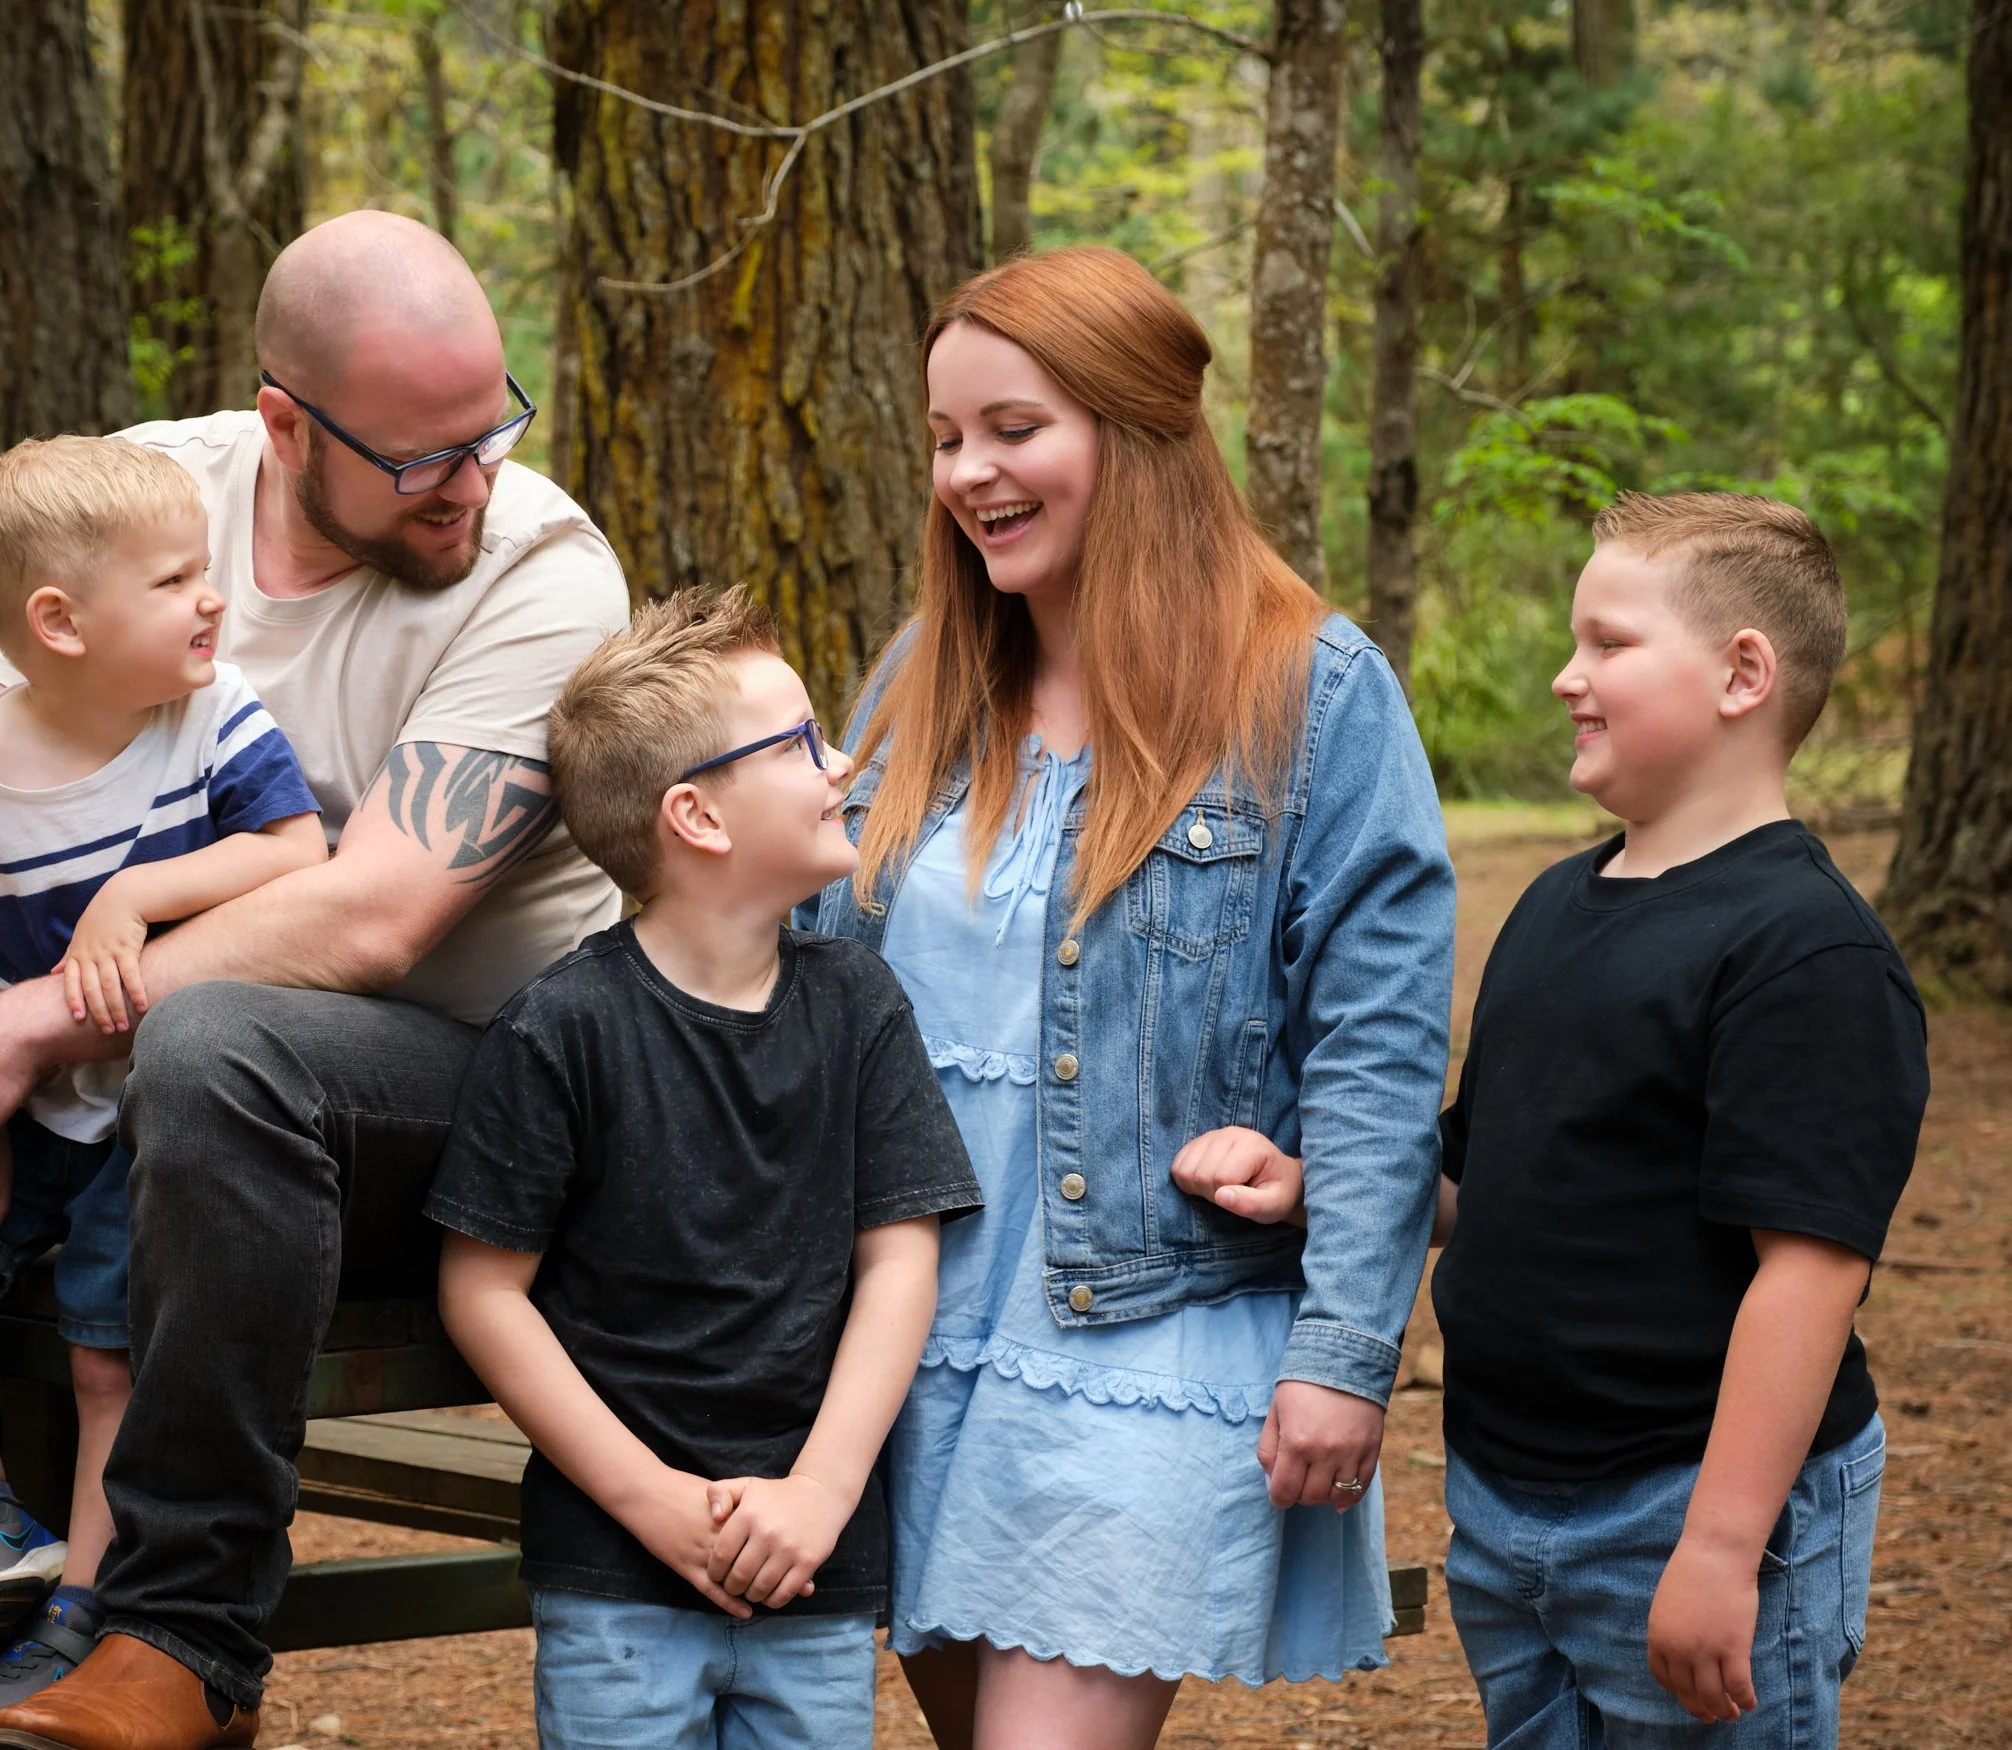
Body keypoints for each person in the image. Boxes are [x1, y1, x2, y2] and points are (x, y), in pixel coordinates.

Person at [0, 212, 630, 1750]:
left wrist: (19, 1037)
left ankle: (182, 1629)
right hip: (147, 1047)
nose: (473, 481)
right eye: (426, 454)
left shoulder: (541, 571)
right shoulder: (144, 495)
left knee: (223, 1043)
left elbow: (372, 918)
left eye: (494, 426)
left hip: (463, 1084)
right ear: (288, 422)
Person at [795, 246, 1456, 1749]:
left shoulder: (1313, 693)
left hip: (1142, 1328)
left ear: (1138, 425)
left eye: (1015, 428)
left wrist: (1346, 1350)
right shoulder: (922, 677)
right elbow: (807, 971)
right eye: (948, 438)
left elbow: (1377, 1043)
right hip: (900, 1326)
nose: (970, 472)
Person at [428, 588, 984, 1749]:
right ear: (697, 816)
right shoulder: (562, 1030)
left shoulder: (858, 1003)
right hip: (616, 1577)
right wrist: (650, 1501)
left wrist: (824, 1494)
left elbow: (898, 1262)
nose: (841, 762)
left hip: (813, 1567)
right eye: (799, 742)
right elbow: (483, 1290)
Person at [1433, 493, 1921, 1744]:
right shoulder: (1554, 902)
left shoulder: (1803, 951)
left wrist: (1719, 1546)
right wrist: (1316, 1182)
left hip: (1689, 1515)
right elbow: (1480, 1180)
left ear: (1740, 673)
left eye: (1606, 643)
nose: (1565, 676)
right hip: (1505, 1504)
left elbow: (1806, 1278)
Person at [0, 436, 325, 1736]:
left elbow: (299, 848)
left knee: (106, 1365)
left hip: (152, 1111)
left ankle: (81, 1604)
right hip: (35, 1111)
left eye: (207, 570)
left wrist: (138, 892)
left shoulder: (211, 720)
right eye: (175, 579)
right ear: (55, 623)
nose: (213, 600)